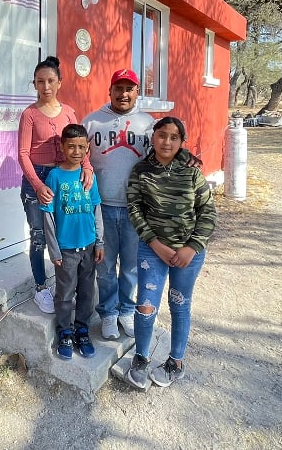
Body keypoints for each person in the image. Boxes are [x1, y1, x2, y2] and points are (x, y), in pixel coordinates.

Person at [82, 69, 201, 341]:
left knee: (132, 266)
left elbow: (167, 147)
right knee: (105, 264)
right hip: (101, 207)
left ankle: (126, 309)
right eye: (119, 88)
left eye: (130, 89)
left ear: (137, 92)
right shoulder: (92, 123)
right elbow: (78, 155)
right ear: (110, 91)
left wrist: (187, 156)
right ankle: (108, 313)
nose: (124, 94)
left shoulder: (147, 124)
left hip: (138, 209)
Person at [123, 116, 217, 389]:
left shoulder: (191, 172)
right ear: (153, 137)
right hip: (152, 250)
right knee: (145, 304)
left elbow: (208, 213)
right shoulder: (140, 171)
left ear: (181, 142)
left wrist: (192, 247)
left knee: (179, 304)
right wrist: (155, 244)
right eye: (162, 135)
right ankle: (140, 356)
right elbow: (135, 210)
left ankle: (175, 363)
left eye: (174, 137)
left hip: (189, 254)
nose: (167, 142)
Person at [18, 56, 93, 314]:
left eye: (51, 81)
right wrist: (38, 185)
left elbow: (80, 144)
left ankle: (65, 286)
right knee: (39, 236)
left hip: (65, 179)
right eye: (40, 82)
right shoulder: (29, 115)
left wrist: (87, 167)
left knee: (64, 237)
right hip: (36, 180)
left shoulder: (70, 112)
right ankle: (41, 288)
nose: (46, 86)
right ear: (35, 84)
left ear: (59, 82)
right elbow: (23, 154)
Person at [40, 124, 104, 359]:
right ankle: (65, 332)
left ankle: (82, 330)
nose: (76, 151)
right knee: (65, 293)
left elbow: (96, 208)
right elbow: (48, 215)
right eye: (71, 146)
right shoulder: (54, 176)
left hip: (88, 246)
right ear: (62, 147)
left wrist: (100, 242)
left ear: (87, 148)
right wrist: (53, 250)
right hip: (66, 250)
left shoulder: (89, 176)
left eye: (81, 147)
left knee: (87, 291)